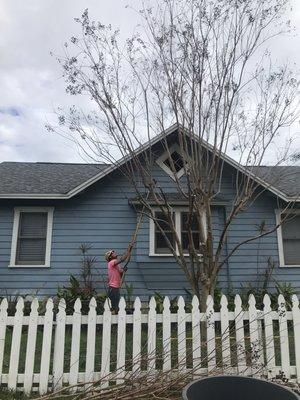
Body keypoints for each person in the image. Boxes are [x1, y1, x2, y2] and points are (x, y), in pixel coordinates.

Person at [105, 244, 133, 313]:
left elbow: (120, 274)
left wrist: (123, 271)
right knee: (114, 307)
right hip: (113, 288)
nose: (115, 253)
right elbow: (122, 259)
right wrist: (128, 249)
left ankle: (115, 320)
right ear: (110, 256)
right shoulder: (111, 263)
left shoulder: (116, 266)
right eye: (113, 253)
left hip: (116, 288)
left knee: (116, 306)